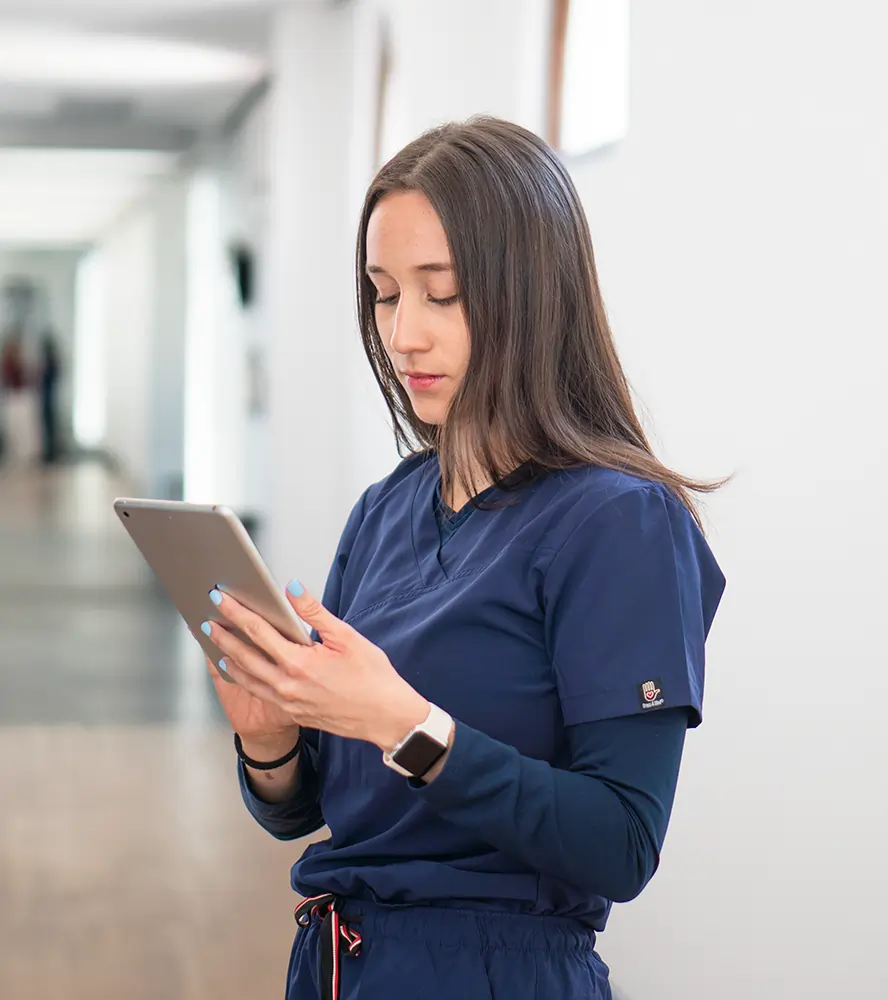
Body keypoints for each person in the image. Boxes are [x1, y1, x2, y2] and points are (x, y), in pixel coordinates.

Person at [202, 116, 728, 1000]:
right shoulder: (386, 510)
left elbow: (622, 843)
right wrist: (271, 742)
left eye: (440, 295)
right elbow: (318, 808)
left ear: (532, 296)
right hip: (344, 964)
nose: (403, 334)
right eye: (384, 295)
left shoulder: (618, 522)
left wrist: (405, 724)